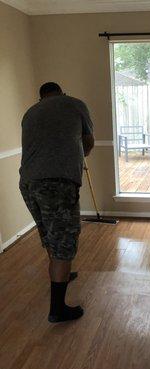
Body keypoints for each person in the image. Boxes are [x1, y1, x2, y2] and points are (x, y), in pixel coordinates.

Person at [19, 82, 94, 323]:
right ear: (62, 92)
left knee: (50, 236)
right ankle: (57, 310)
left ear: (41, 97)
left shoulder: (30, 112)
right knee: (64, 242)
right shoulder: (75, 104)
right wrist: (77, 153)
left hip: (28, 183)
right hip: (57, 184)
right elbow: (88, 142)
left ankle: (62, 273)